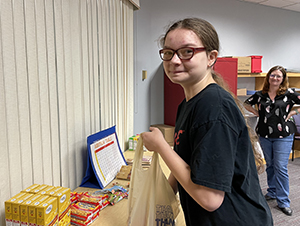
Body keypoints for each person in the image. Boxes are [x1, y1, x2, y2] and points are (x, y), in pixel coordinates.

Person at [141, 18, 273, 226]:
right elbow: (187, 159)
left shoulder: (213, 106)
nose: (174, 60)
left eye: (187, 52)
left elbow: (210, 199)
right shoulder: (188, 104)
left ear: (211, 58)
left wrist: (160, 146)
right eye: (168, 53)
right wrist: (162, 197)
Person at [244, 65, 300, 216]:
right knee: (270, 165)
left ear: (283, 79)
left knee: (280, 166)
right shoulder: (260, 94)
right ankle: (272, 191)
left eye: (278, 76)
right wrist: (256, 112)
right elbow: (245, 103)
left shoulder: (289, 93)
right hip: (265, 134)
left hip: (284, 135)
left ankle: (283, 201)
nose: (275, 78)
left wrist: (294, 112)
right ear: (268, 77)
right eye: (272, 75)